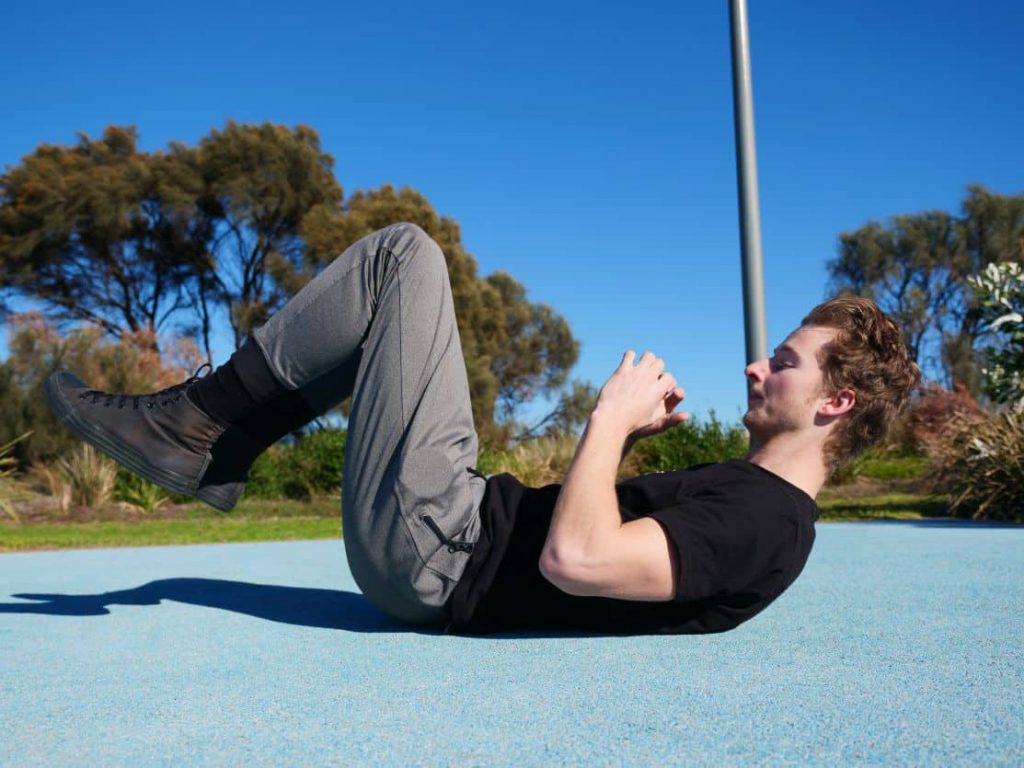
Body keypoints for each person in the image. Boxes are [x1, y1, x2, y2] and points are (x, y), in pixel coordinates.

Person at [45, 223, 921, 636]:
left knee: (404, 258)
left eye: (786, 362)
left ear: (836, 403)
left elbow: (575, 562)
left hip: (445, 553)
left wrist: (608, 421)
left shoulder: (766, 521)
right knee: (387, 317)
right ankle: (212, 441)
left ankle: (199, 428)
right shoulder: (757, 501)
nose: (757, 368)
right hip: (444, 538)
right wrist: (620, 449)